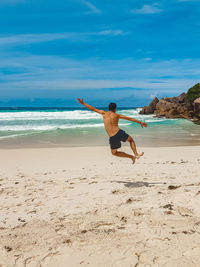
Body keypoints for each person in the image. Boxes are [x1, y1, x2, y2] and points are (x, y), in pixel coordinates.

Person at [77, 99, 148, 164]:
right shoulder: (117, 115)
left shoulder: (103, 113)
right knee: (131, 140)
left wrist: (83, 103)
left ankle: (131, 157)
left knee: (114, 153)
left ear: (109, 108)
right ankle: (135, 155)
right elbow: (129, 118)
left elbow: (93, 109)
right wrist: (140, 122)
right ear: (115, 109)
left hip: (112, 137)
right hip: (118, 132)